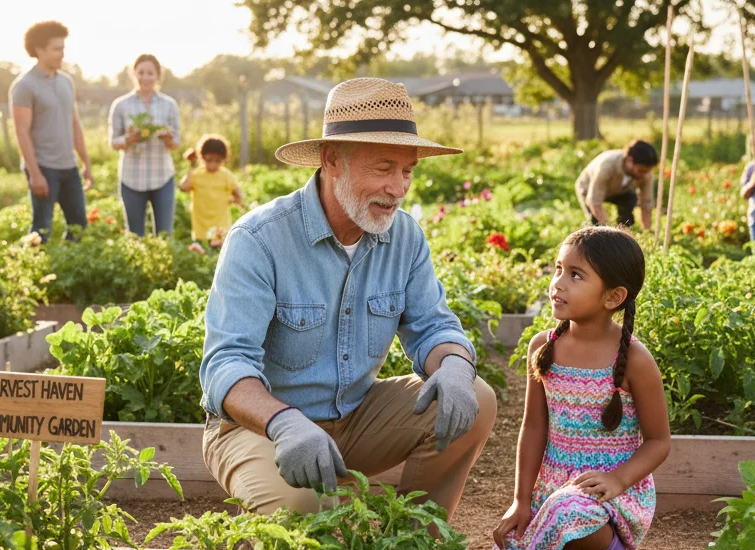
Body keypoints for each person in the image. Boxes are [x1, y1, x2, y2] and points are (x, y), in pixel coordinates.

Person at [199, 78, 497, 520]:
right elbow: (226, 364)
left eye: (408, 171)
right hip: (260, 429)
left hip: (356, 422)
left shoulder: (405, 236)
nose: (399, 188)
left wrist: (454, 364)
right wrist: (284, 423)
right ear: (332, 159)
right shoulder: (259, 239)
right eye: (383, 168)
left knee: (476, 398)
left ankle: (419, 549)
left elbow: (433, 327)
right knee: (303, 505)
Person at [489, 226, 670, 550]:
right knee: (507, 545)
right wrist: (521, 500)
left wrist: (619, 479)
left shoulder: (635, 360)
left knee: (572, 507)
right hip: (554, 484)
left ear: (613, 297)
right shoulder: (543, 347)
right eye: (558, 269)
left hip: (611, 491)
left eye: (575, 275)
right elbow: (533, 427)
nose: (557, 284)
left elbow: (659, 441)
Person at [10, 21, 94, 242]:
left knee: (79, 225)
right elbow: (22, 132)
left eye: (63, 49)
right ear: (39, 50)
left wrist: (85, 162)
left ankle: (67, 270)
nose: (62, 55)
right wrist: (35, 173)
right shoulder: (25, 86)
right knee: (42, 229)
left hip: (69, 166)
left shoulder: (67, 81)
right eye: (57, 49)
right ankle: (33, 271)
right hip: (44, 167)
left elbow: (74, 123)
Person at [109, 54, 182, 237]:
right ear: (134, 74)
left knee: (165, 234)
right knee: (134, 235)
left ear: (158, 76)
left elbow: (176, 141)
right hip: (131, 178)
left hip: (162, 177)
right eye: (141, 72)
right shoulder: (121, 105)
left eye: (150, 73)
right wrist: (128, 139)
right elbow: (113, 142)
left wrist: (168, 139)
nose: (145, 77)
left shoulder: (169, 104)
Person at [574, 140, 658, 229]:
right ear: (630, 160)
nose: (644, 175)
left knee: (629, 201)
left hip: (618, 189)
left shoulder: (646, 174)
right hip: (589, 189)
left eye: (647, 172)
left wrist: (647, 231)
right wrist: (609, 230)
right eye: (641, 171)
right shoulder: (606, 167)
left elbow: (646, 203)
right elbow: (594, 202)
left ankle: (624, 231)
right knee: (597, 226)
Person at [179, 134, 244, 247]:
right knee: (201, 252)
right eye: (209, 160)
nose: (213, 164)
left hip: (220, 223)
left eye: (217, 161)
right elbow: (183, 187)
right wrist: (192, 165)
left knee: (218, 254)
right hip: (201, 225)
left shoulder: (226, 176)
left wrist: (232, 200)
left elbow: (238, 194)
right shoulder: (196, 174)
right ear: (202, 157)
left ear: (224, 159)